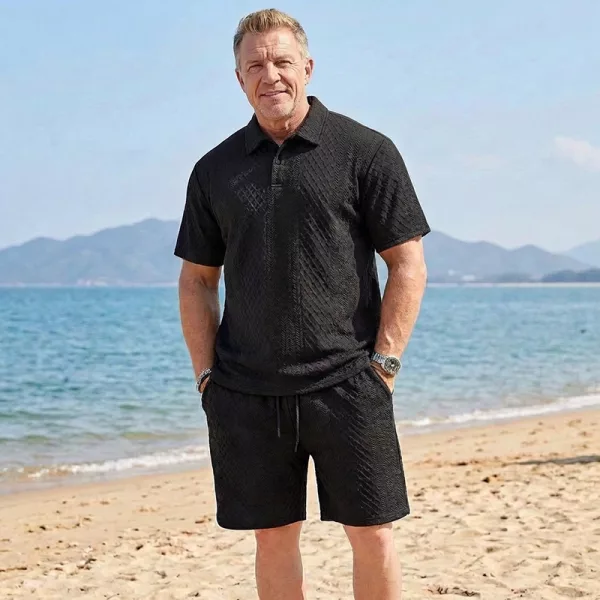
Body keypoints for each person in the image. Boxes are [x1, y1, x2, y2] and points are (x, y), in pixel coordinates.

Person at [174, 8, 430, 600]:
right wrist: (207, 377)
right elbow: (197, 281)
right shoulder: (213, 171)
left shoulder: (366, 151)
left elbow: (408, 263)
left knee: (373, 535)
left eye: (282, 61)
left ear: (307, 68)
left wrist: (385, 364)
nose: (271, 75)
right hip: (246, 392)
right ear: (239, 78)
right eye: (255, 65)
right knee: (272, 539)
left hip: (349, 382)